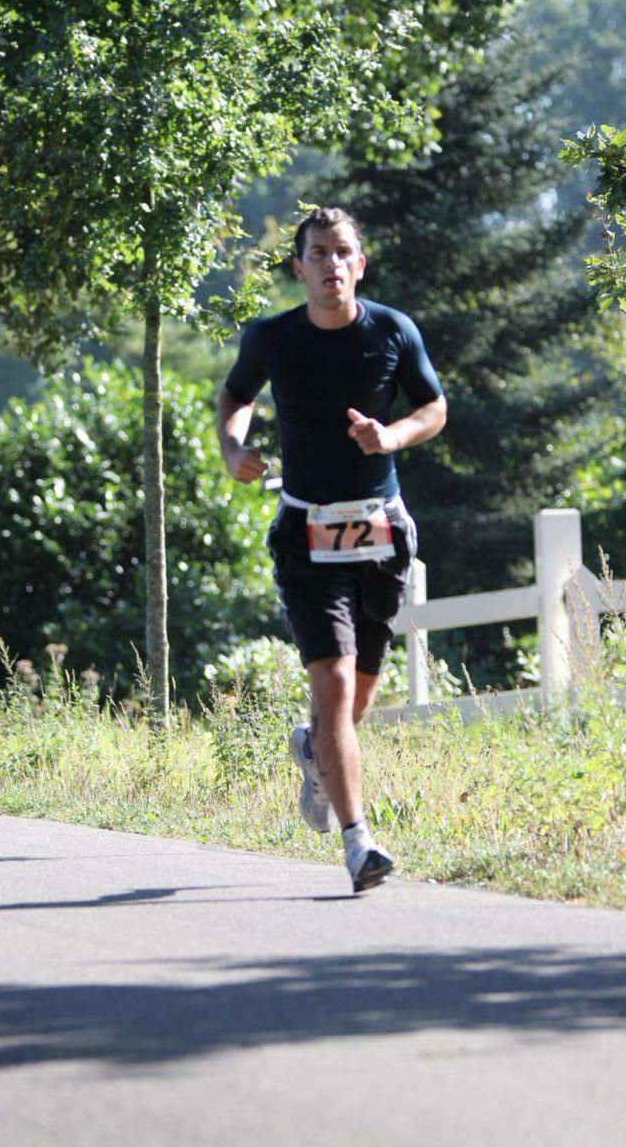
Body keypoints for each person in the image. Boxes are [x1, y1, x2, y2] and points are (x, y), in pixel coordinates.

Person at [217, 207, 447, 894]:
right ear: (300, 267)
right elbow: (234, 394)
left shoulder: (392, 331)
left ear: (360, 264)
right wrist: (234, 449)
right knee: (335, 682)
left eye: (342, 252)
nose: (331, 264)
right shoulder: (274, 337)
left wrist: (393, 437)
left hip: (380, 529)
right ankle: (358, 843)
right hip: (307, 531)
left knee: (358, 700)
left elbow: (433, 406)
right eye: (318, 253)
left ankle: (314, 749)